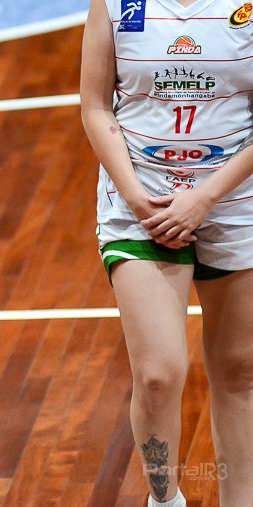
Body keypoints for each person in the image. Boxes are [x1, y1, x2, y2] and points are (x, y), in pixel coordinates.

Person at [81, 0, 253, 505]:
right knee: (158, 374)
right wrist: (136, 197)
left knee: (241, 371)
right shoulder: (115, 3)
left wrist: (205, 198)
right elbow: (95, 105)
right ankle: (164, 500)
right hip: (141, 204)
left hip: (235, 204)